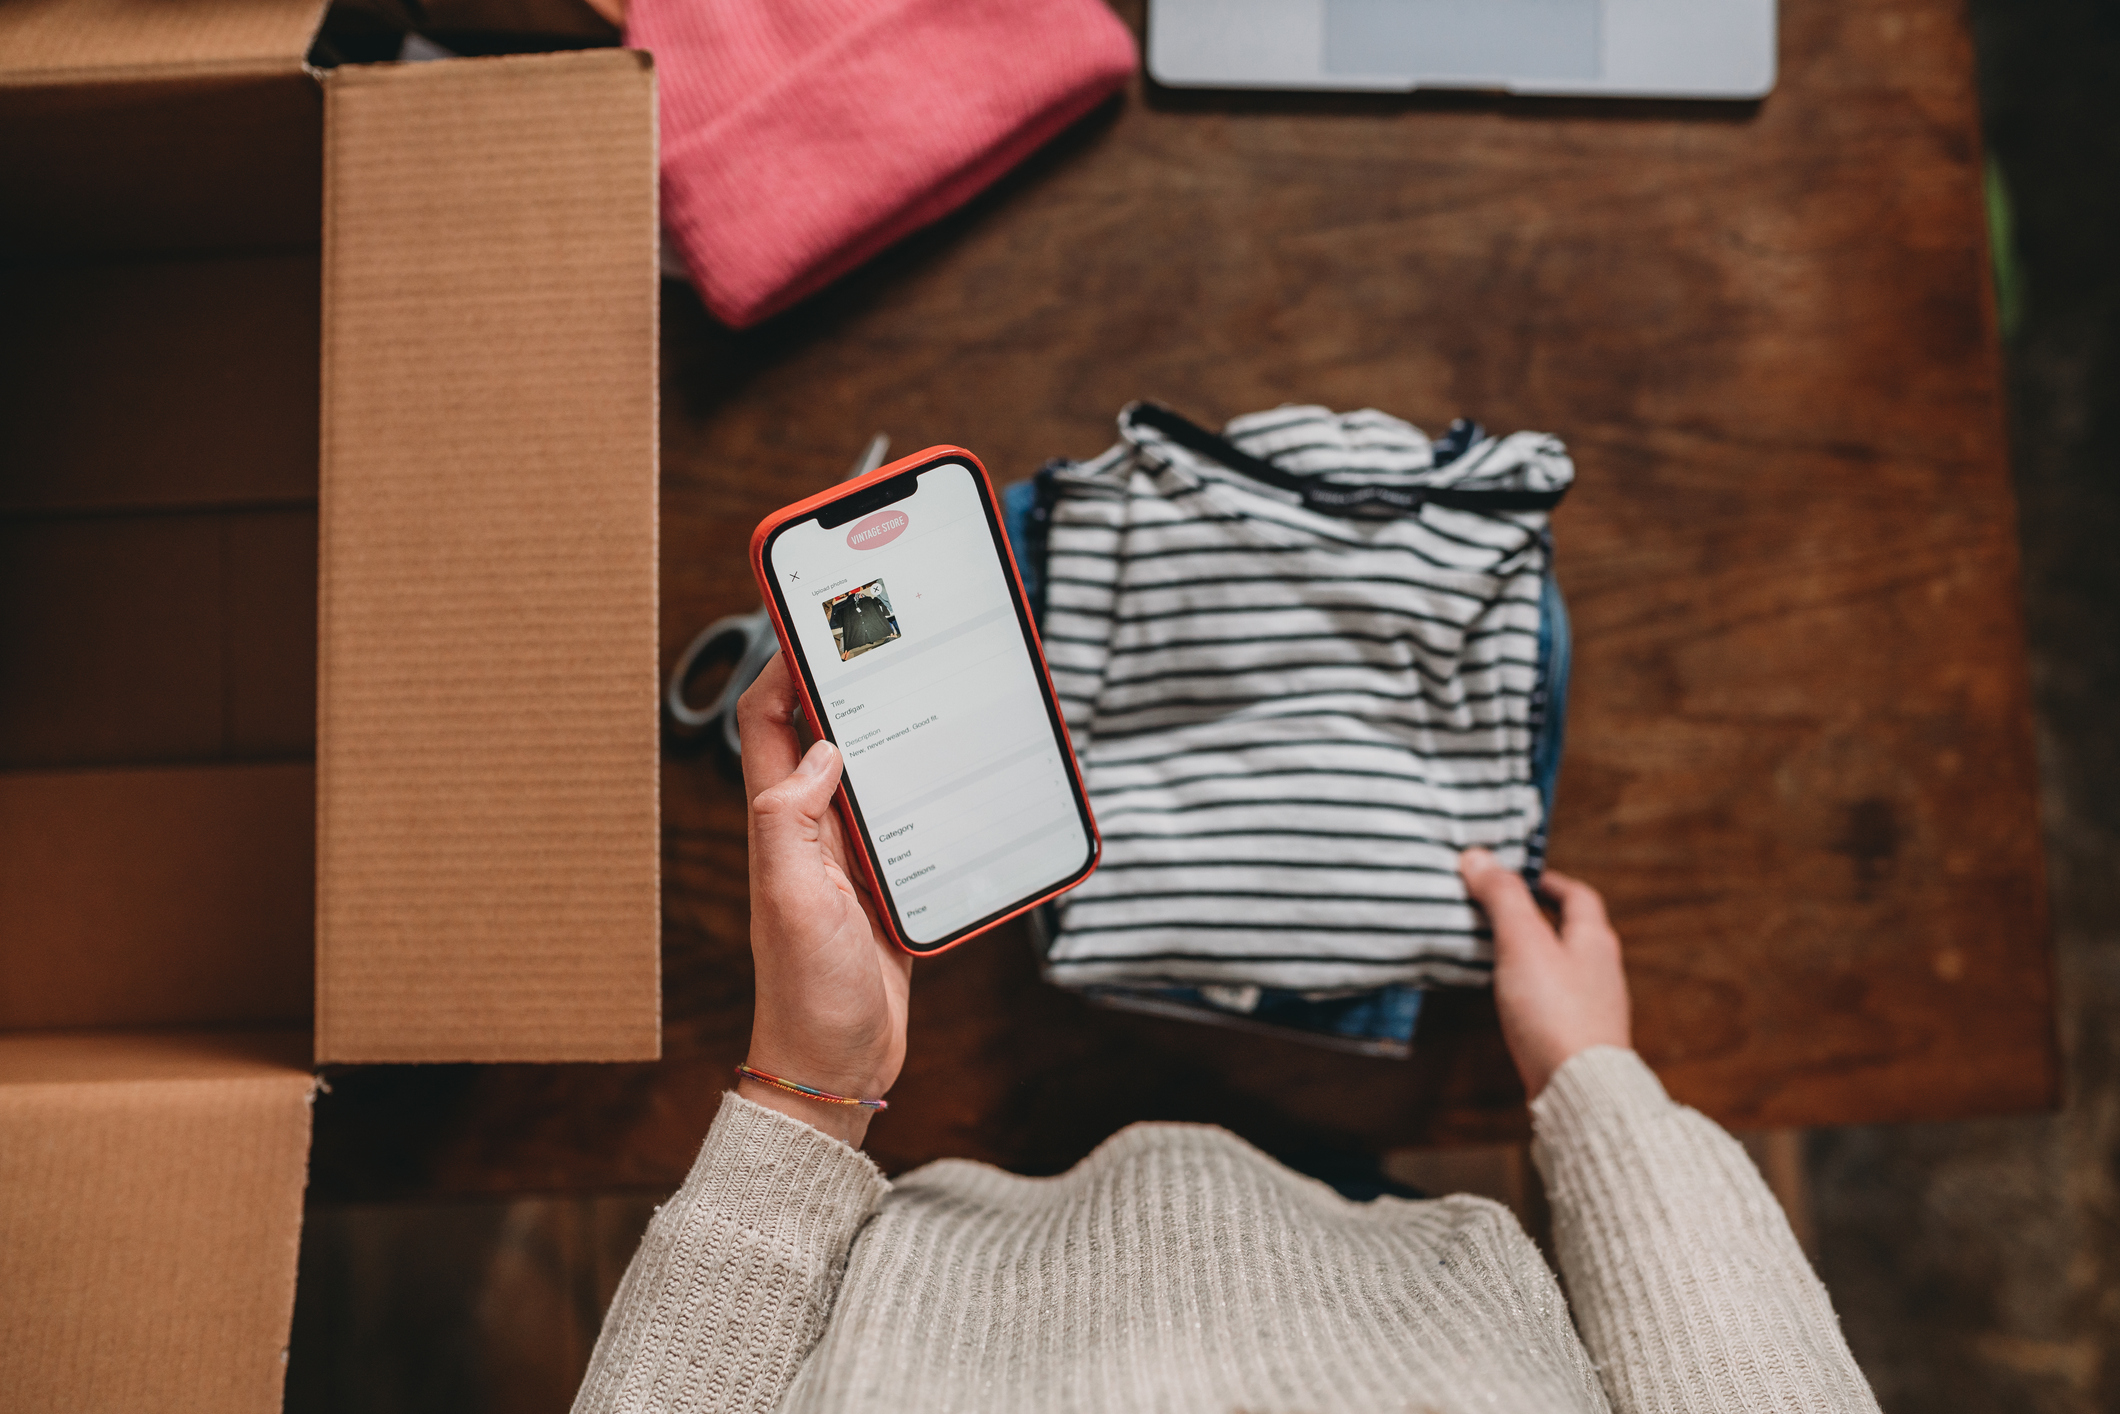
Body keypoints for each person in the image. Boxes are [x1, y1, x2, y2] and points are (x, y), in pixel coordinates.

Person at [571, 656, 1882, 1414]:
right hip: (1397, 1245)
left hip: (917, 1240)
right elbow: (1754, 1376)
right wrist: (1596, 1081)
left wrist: (815, 1080)